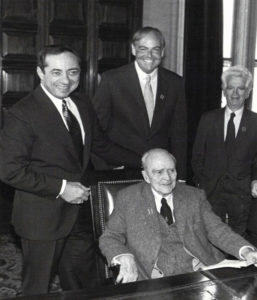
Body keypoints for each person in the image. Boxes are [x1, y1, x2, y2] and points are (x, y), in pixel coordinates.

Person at [0, 45, 141, 295]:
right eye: (56, 72)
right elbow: (9, 170)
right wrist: (62, 189)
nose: (65, 80)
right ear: (40, 74)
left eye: (72, 72)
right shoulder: (22, 113)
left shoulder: (81, 103)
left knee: (82, 285)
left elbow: (101, 146)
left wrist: (144, 159)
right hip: (41, 218)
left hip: (82, 215)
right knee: (38, 289)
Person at [99, 148, 257, 283]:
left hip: (200, 273)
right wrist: (124, 256)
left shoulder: (194, 195)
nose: (167, 178)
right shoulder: (128, 198)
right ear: (146, 176)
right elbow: (110, 237)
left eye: (171, 170)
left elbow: (217, 229)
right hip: (154, 280)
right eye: (158, 172)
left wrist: (245, 250)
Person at [92, 26, 187, 180]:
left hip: (161, 174)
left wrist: (180, 177)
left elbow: (179, 135)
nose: (149, 55)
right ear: (133, 50)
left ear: (162, 52)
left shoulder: (175, 83)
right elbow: (96, 131)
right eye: (143, 49)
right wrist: (106, 167)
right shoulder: (112, 80)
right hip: (120, 170)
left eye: (155, 49)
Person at [192, 65, 257, 236]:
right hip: (211, 194)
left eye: (240, 88)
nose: (235, 93)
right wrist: (203, 184)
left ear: (248, 92)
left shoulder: (255, 123)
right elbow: (197, 156)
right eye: (230, 88)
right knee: (210, 240)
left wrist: (254, 181)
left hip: (242, 198)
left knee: (240, 246)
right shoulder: (208, 119)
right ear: (224, 90)